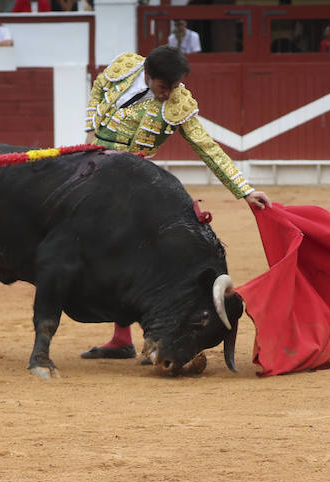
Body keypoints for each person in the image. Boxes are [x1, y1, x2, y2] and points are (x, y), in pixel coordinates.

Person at [79, 46, 272, 360]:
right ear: (149, 75)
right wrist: (90, 128)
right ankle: (122, 338)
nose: (169, 93)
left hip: (132, 181)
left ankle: (143, 335)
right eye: (164, 87)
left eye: (175, 86)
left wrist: (244, 190)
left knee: (132, 256)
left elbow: (207, 147)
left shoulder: (177, 102)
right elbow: (100, 86)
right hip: (90, 168)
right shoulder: (125, 68)